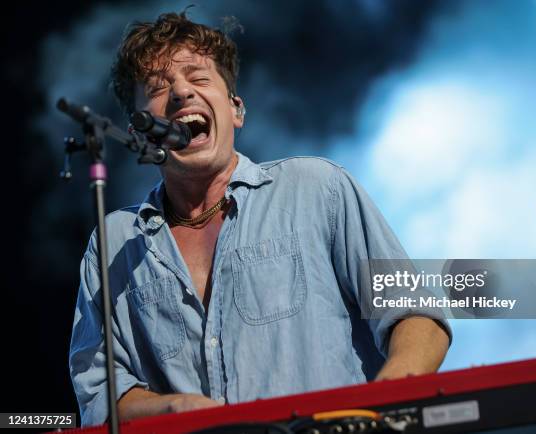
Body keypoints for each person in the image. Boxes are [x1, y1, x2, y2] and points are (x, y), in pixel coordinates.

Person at [69, 11, 451, 427]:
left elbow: (416, 316)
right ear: (140, 131)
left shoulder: (317, 188)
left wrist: (382, 405)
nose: (181, 93)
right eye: (159, 88)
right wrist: (177, 407)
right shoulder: (114, 242)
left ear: (236, 110)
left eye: (198, 79)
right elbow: (99, 392)